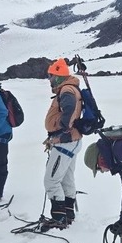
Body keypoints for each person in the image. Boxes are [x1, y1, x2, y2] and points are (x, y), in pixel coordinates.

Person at [42, 58, 83, 229]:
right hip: (71, 141)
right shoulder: (70, 87)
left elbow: (69, 108)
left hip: (65, 142)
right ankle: (68, 214)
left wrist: (61, 128)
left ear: (58, 76)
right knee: (66, 178)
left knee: (51, 181)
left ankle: (59, 218)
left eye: (51, 76)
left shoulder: (66, 90)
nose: (49, 80)